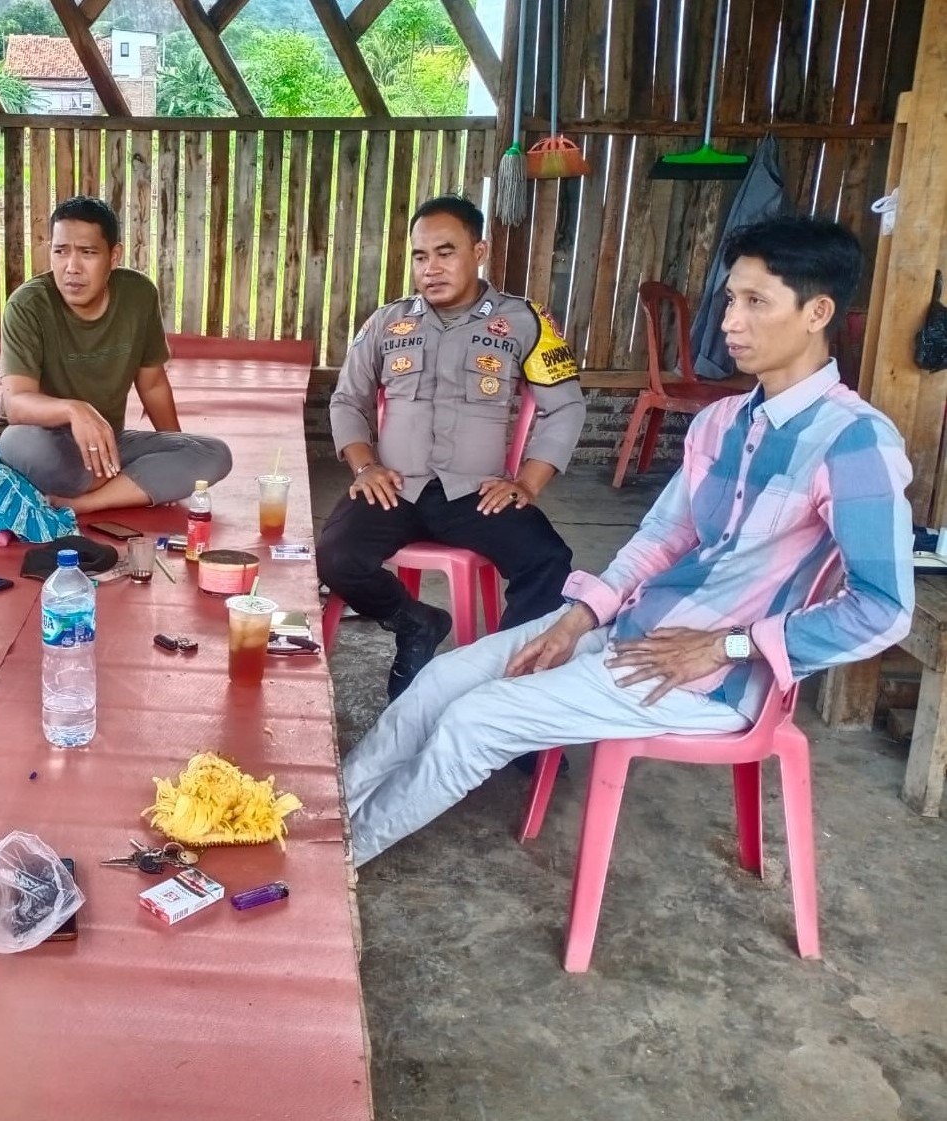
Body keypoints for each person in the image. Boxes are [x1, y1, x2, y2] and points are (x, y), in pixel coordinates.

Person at [342, 215, 914, 868]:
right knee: (440, 680)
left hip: (713, 678)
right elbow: (663, 536)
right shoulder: (722, 421)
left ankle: (341, 858)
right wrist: (577, 618)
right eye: (730, 298)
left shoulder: (854, 441)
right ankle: (313, 818)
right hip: (635, 628)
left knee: (475, 720)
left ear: (817, 312)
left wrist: (728, 644)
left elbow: (882, 608)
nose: (730, 321)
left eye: (756, 302)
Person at [318, 194, 586, 700]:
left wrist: (527, 483)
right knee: (335, 555)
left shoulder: (524, 321)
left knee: (548, 562)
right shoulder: (387, 322)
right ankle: (414, 622)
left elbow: (566, 407)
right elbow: (347, 400)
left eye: (446, 252)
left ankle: (504, 685)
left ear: (478, 251)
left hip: (476, 494)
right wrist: (365, 466)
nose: (431, 269)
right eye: (420, 256)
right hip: (394, 488)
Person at [0, 196, 231, 514]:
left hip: (109, 444)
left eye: (88, 253)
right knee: (17, 443)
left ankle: (84, 503)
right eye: (60, 251)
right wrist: (74, 410)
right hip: (46, 442)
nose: (72, 267)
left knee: (214, 455)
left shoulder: (138, 295)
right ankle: (130, 484)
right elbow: (17, 404)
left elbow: (152, 384)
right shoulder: (27, 305)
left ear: (114, 256)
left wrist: (176, 448)